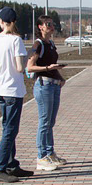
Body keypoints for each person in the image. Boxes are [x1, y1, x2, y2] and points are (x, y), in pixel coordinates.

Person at [0, 7, 33, 183]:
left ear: (0, 21)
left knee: (7, 128)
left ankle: (11, 164)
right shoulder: (16, 40)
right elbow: (20, 68)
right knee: (10, 131)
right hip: (13, 90)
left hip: (1, 89)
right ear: (13, 22)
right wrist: (26, 57)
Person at [27, 15, 67, 171]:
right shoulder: (38, 44)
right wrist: (47, 69)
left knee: (50, 121)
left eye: (52, 23)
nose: (51, 26)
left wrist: (60, 77)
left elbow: (52, 65)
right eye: (47, 24)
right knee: (44, 122)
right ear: (40, 27)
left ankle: (50, 153)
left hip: (54, 85)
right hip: (43, 86)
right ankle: (41, 156)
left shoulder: (50, 44)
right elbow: (29, 67)